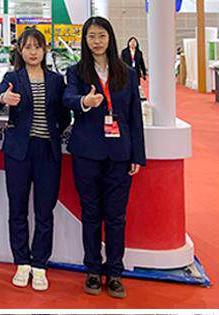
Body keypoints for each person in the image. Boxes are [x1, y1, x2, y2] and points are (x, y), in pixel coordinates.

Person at [63, 16, 146, 299]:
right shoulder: (76, 72)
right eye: (91, 36)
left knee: (116, 216)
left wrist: (137, 155)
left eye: (101, 35)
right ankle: (92, 270)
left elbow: (134, 116)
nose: (96, 41)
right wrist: (84, 102)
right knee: (90, 214)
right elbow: (67, 99)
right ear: (84, 40)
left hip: (120, 154)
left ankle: (115, 273)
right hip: (87, 152)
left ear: (110, 38)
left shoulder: (127, 73)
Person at [0, 28, 71, 291]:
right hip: (18, 152)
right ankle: (22, 261)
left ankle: (40, 264)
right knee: (18, 209)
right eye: (28, 47)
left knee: (44, 211)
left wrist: (51, 133)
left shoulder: (56, 80)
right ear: (20, 51)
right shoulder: (12, 77)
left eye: (37, 47)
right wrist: (3, 98)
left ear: (44, 50)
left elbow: (64, 116)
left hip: (47, 152)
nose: (33, 52)